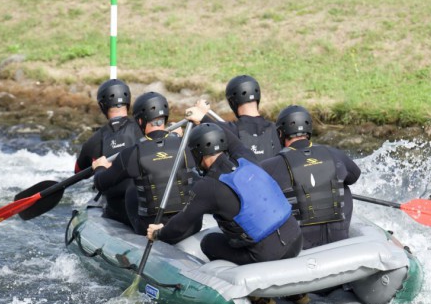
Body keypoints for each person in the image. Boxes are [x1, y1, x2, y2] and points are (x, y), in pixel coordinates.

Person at [146, 122, 302, 273]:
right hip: (296, 239)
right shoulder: (246, 157)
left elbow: (180, 226)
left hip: (267, 255)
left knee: (209, 242)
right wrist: (202, 118)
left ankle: (244, 288)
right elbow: (233, 140)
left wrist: (158, 233)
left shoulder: (207, 186)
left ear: (197, 153)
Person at [260, 105, 362, 304]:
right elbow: (354, 175)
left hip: (303, 257)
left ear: (280, 134)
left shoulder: (270, 166)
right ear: (309, 131)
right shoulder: (335, 154)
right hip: (341, 249)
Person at [91, 91, 200, 239]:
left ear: (140, 121)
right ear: (165, 117)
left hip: (150, 229)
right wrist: (177, 137)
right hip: (190, 226)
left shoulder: (131, 153)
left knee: (131, 186)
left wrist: (100, 167)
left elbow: (100, 184)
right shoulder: (185, 144)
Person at [75, 79, 143, 224]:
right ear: (128, 101)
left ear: (102, 105)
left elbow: (78, 171)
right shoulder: (144, 128)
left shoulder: (94, 141)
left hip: (117, 211)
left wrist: (97, 166)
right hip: (144, 202)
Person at [195, 75, 281, 162]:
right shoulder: (278, 130)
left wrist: (202, 113)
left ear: (232, 102)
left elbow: (207, 125)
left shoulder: (228, 129)